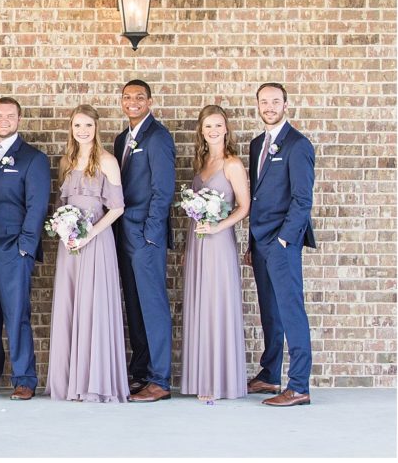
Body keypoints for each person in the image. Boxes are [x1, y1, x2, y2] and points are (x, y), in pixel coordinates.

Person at [46, 105, 128, 403]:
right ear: (71, 128)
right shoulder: (66, 162)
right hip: (70, 246)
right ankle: (70, 381)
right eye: (77, 125)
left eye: (88, 126)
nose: (82, 131)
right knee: (71, 305)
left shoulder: (107, 161)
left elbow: (117, 208)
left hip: (95, 243)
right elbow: (61, 204)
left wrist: (88, 234)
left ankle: (94, 381)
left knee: (94, 307)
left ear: (97, 128)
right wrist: (64, 231)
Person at [0, 98, 50, 400]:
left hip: (13, 248)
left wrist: (25, 248)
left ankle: (24, 378)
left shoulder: (32, 158)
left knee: (17, 314)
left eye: (10, 115)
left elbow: (37, 206)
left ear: (19, 118)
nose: (3, 120)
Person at [246, 82, 316, 407]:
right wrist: (251, 241)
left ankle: (299, 385)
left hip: (282, 243)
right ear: (258, 105)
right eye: (264, 101)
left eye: (275, 101)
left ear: (286, 105)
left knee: (290, 312)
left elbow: (303, 199)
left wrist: (286, 239)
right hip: (260, 242)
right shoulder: (257, 143)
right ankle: (270, 374)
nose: (269, 106)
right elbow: (257, 197)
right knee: (269, 312)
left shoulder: (298, 145)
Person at [180, 105, 250, 402]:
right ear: (202, 130)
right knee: (199, 305)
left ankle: (219, 382)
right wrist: (187, 246)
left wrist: (218, 226)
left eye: (218, 125)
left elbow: (244, 207)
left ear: (226, 128)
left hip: (219, 242)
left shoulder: (232, 164)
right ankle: (200, 378)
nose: (213, 130)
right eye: (208, 126)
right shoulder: (203, 162)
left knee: (217, 305)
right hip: (198, 241)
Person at [112, 79, 176, 403]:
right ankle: (141, 372)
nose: (133, 101)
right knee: (135, 307)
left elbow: (163, 190)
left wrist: (151, 234)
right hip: (124, 233)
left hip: (145, 235)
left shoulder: (158, 137)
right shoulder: (122, 138)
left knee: (152, 306)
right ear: (121, 102)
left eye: (139, 97)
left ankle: (160, 379)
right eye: (127, 97)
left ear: (150, 101)